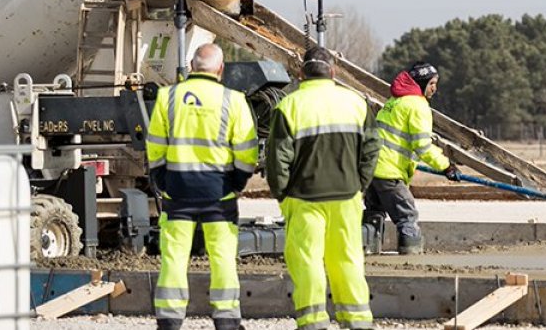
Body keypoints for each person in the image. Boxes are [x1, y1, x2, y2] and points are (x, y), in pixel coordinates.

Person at [265, 46, 380, 330]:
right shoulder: (356, 103)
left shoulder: (288, 106)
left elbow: (276, 160)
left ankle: (313, 321)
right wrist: (359, 186)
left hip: (304, 198)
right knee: (348, 258)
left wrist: (283, 195)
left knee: (307, 261)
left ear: (301, 73)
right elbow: (371, 150)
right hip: (347, 196)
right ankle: (357, 320)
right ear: (333, 72)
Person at [147, 44, 258, 330]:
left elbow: (155, 146)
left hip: (178, 190)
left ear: (192, 67)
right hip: (218, 191)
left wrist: (163, 180)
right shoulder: (233, 100)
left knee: (174, 256)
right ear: (220, 69)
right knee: (222, 256)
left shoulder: (167, 97)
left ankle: (169, 321)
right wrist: (238, 182)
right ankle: (227, 319)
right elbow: (247, 151)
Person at [362, 62, 458, 256]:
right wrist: (447, 166)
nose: (434, 88)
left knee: (374, 212)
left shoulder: (393, 102)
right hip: (389, 172)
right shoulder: (417, 106)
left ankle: (367, 248)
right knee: (407, 215)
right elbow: (422, 146)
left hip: (371, 169)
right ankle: (411, 254)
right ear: (421, 83)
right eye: (432, 83)